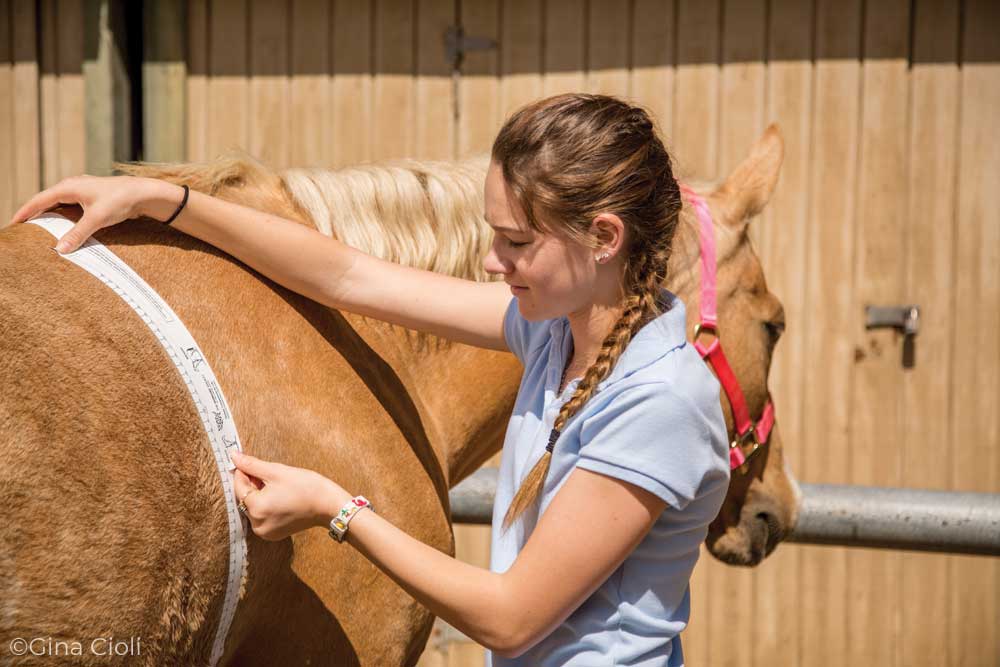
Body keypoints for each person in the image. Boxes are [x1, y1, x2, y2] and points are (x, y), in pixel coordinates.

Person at [10, 93, 730, 665]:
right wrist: (163, 203)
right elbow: (347, 275)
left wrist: (336, 507)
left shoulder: (658, 400)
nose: (490, 262)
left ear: (605, 237)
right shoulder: (552, 332)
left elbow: (510, 618)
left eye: (515, 243)